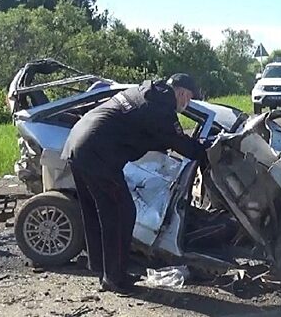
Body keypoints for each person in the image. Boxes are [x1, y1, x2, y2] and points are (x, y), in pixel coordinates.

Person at [61, 73, 208, 294]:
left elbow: (146, 132)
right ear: (181, 93)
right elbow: (181, 144)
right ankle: (114, 279)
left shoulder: (146, 92)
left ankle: (102, 269)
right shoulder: (162, 106)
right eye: (188, 98)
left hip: (78, 143)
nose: (187, 104)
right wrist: (208, 152)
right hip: (97, 153)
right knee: (122, 213)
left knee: (96, 211)